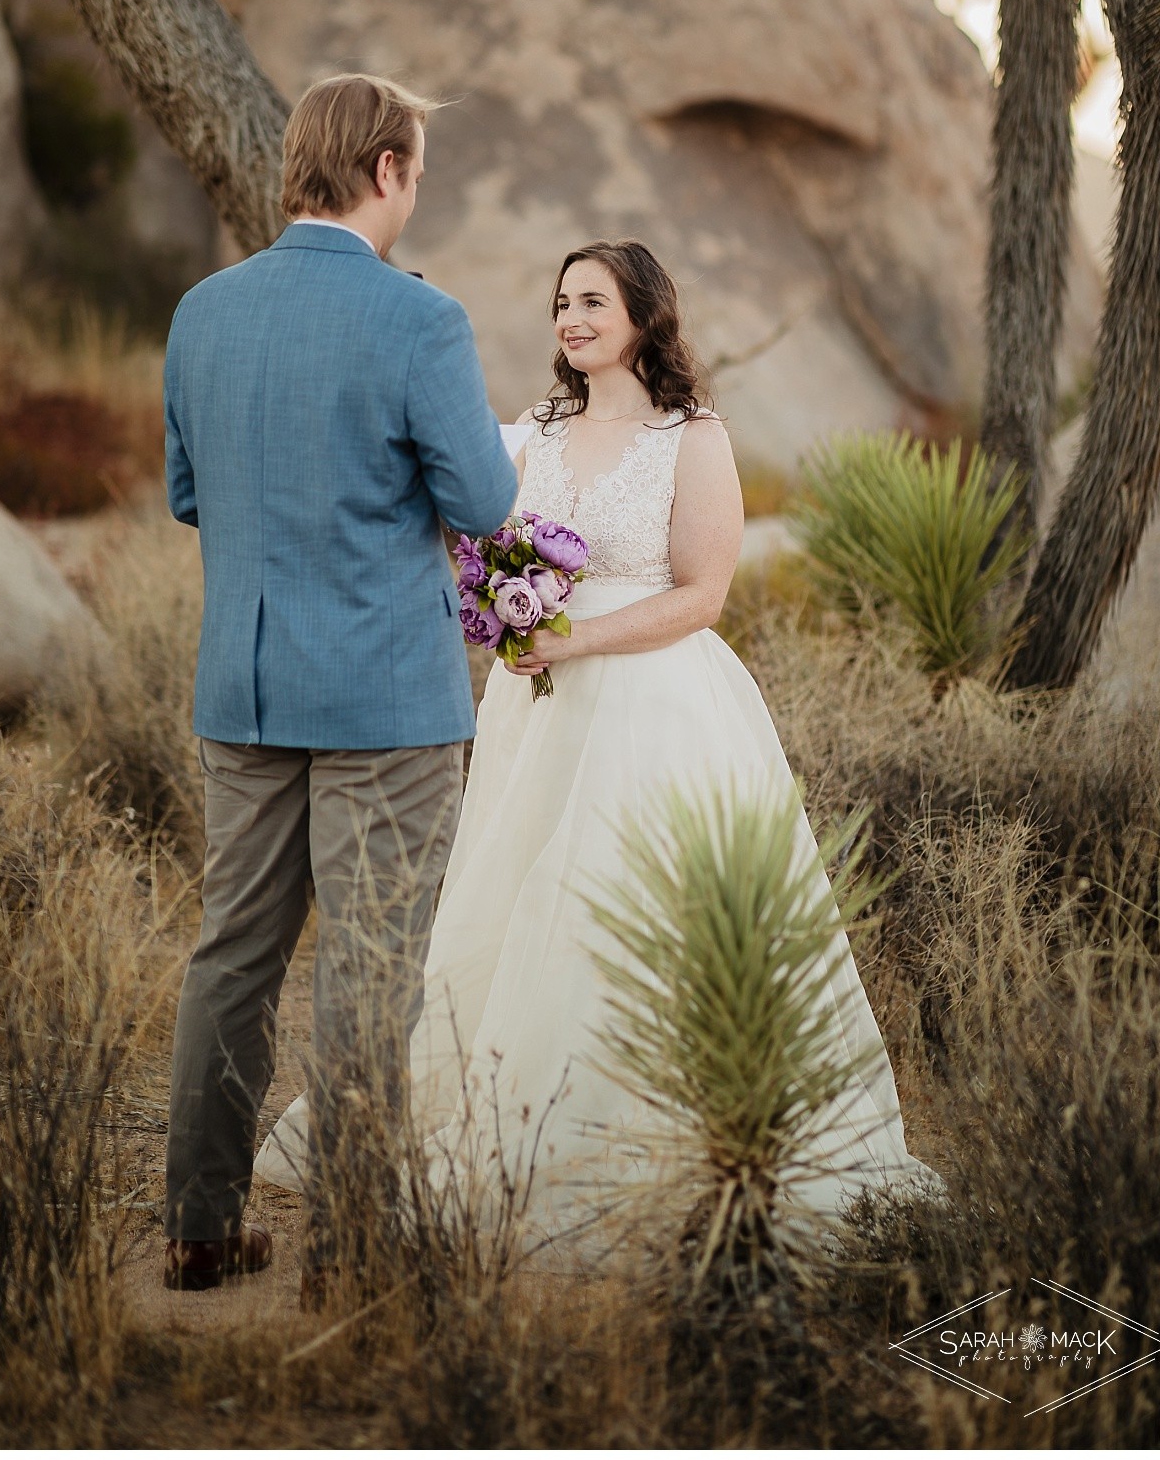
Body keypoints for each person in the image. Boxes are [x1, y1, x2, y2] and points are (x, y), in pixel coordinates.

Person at [255, 239, 934, 1250]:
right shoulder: (531, 431)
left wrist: (569, 635)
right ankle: (512, 1115)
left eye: (592, 300)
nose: (570, 318)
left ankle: (666, 1142)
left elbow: (703, 595)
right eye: (561, 302)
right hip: (535, 712)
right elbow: (456, 522)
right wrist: (496, 606)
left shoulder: (690, 436)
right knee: (512, 899)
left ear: (642, 315)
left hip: (654, 705)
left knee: (624, 904)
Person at [157, 74, 519, 1291]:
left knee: (232, 958)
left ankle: (199, 1227)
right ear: (383, 173)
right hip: (384, 701)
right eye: (414, 169)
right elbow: (481, 502)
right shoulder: (420, 321)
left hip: (244, 690)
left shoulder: (202, 311)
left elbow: (189, 493)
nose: (415, 188)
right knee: (370, 967)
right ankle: (357, 1244)